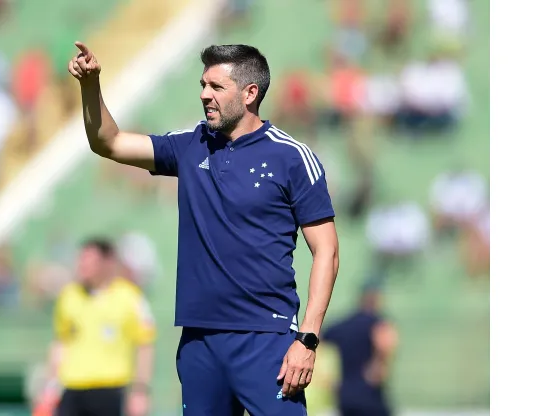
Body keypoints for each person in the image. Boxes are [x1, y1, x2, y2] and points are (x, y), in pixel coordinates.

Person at [68, 42, 340, 415]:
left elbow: (327, 251)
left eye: (215, 87)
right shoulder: (191, 145)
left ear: (249, 94)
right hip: (199, 341)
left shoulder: (291, 157)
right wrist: (91, 85)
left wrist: (307, 339)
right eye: (202, 84)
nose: (204, 95)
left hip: (266, 339)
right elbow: (108, 142)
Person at [47, 238, 156, 416]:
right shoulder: (69, 295)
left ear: (107, 263)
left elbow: (144, 345)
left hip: (109, 388)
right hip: (72, 387)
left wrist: (140, 390)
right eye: (80, 260)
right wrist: (50, 385)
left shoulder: (130, 297)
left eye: (88, 261)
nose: (82, 266)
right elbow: (61, 342)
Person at [322, 281, 398, 416]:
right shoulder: (378, 322)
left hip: (345, 394)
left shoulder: (343, 324)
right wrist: (378, 366)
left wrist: (328, 378)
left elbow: (319, 341)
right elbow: (385, 343)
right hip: (370, 394)